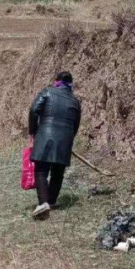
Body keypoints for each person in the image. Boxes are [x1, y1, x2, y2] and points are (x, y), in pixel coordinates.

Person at [28, 71, 81, 220]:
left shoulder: (47, 92)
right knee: (58, 172)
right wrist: (68, 138)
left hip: (45, 135)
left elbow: (34, 110)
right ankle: (51, 201)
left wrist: (33, 130)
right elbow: (76, 124)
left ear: (56, 81)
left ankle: (43, 203)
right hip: (65, 138)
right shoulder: (75, 101)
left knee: (41, 171)